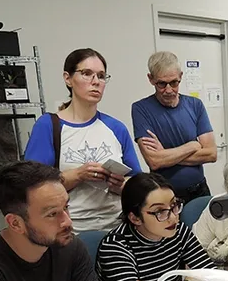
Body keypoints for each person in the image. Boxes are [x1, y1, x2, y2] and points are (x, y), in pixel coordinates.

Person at [25, 48, 142, 233]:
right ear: (68, 78)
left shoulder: (116, 127)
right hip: (70, 231)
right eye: (86, 74)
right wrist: (78, 175)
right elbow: (33, 188)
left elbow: (138, 183)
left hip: (118, 230)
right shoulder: (48, 126)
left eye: (101, 76)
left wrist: (121, 185)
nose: (95, 82)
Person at [96, 172, 225, 281]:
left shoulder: (178, 231)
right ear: (135, 218)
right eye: (160, 212)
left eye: (174, 205)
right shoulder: (116, 247)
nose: (173, 217)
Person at [131, 51, 217, 202]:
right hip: (165, 196)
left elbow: (211, 154)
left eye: (174, 82)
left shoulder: (195, 105)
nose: (169, 90)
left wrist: (165, 155)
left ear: (181, 76)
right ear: (151, 79)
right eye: (162, 84)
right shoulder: (141, 109)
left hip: (200, 190)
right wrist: (192, 146)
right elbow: (154, 161)